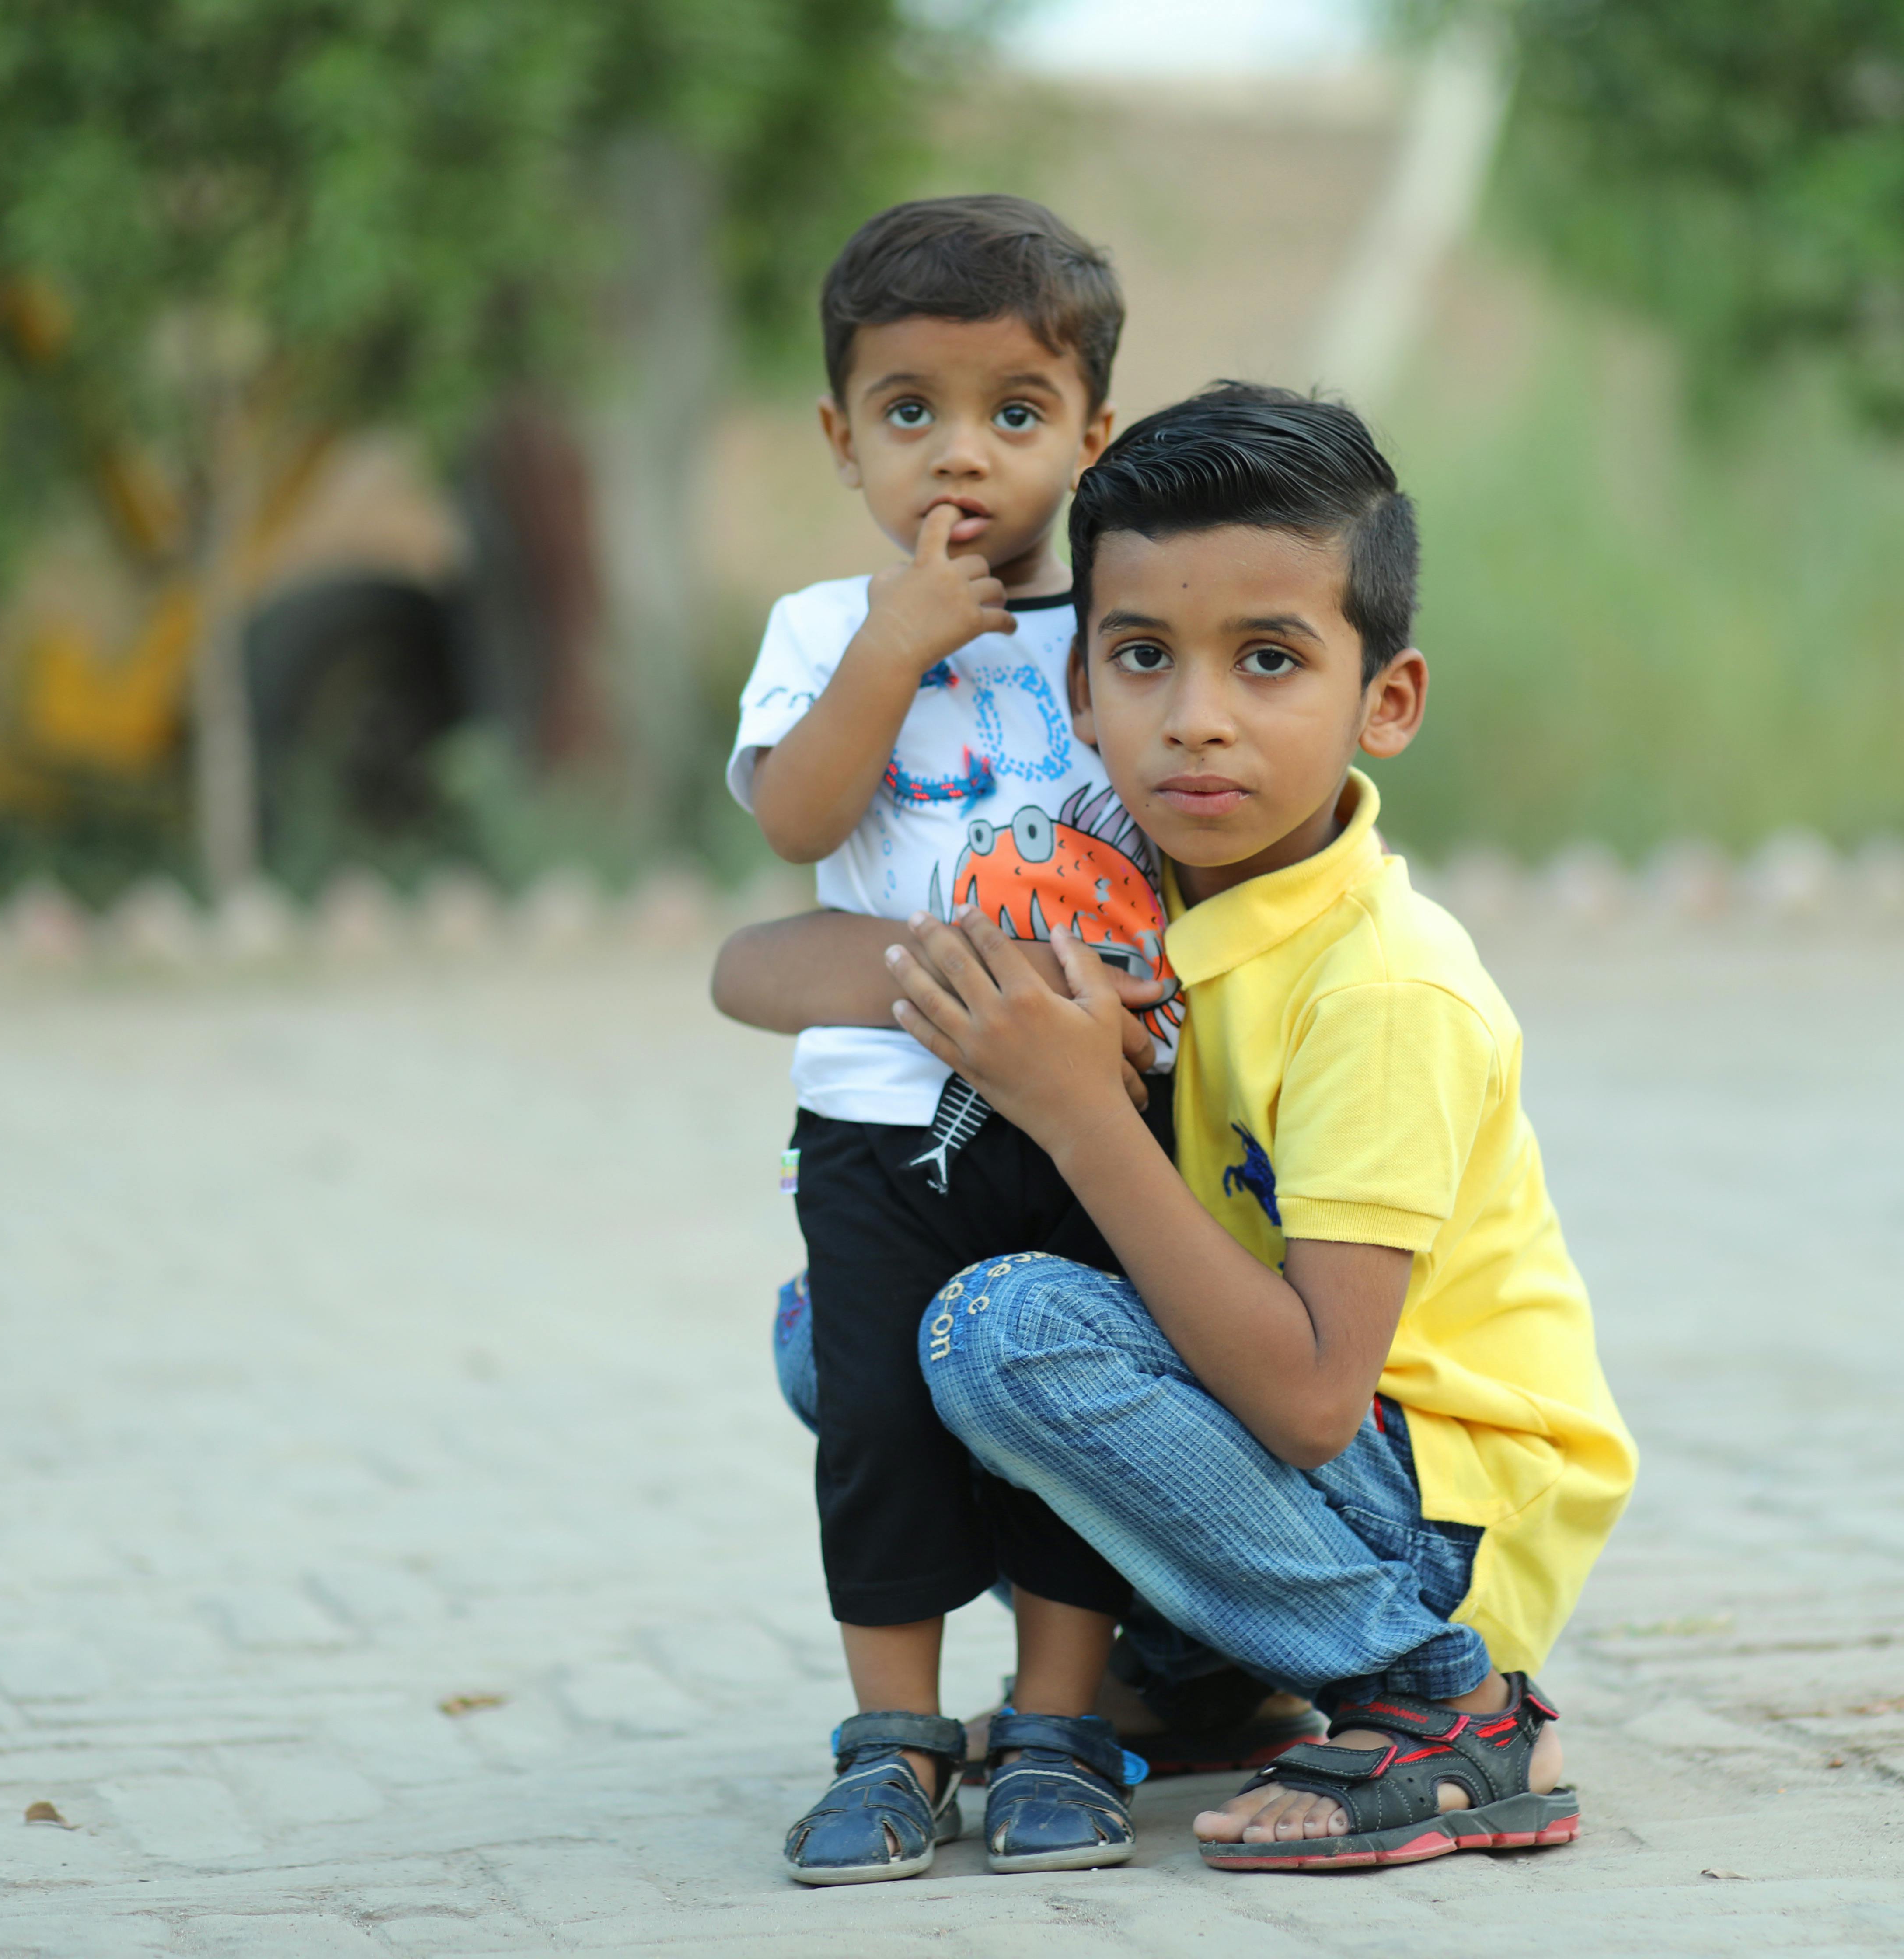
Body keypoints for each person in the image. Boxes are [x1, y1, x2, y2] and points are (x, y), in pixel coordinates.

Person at [873, 383, 1638, 1870]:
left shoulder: (1384, 988)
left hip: (1435, 1510)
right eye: (1144, 659)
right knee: (830, 1323)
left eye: (1270, 661)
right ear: (1081, 692)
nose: (1196, 719)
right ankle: (1223, 1680)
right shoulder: (1124, 894)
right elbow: (752, 966)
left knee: (1001, 1330)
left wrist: (1080, 1108)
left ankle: (1443, 1702)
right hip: (1315, 1441)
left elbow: (1308, 1401)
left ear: (1387, 701)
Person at [717, 194, 1200, 1886]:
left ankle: (1064, 1726)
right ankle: (897, 1740)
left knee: (1069, 1404)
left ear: (1091, 435)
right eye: (911, 410)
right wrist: (890, 648)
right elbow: (797, 821)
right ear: (843, 436)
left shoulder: (1117, 637)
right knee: (885, 1424)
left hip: (1089, 1115)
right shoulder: (813, 632)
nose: (960, 457)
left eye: (1015, 412)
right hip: (878, 1121)